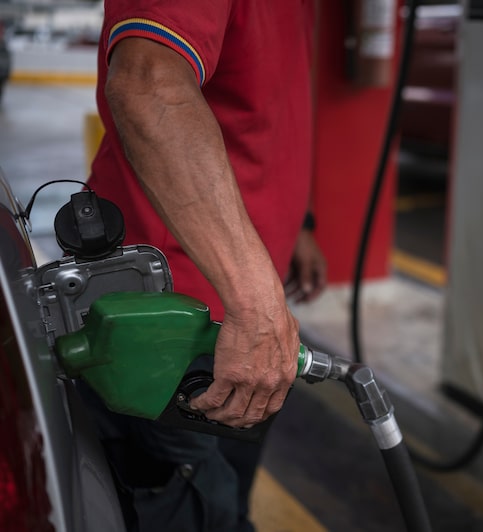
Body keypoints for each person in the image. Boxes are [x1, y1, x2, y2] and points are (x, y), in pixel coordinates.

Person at [83, 1, 326, 531]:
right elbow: (147, 83)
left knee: (229, 496)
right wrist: (256, 301)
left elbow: (265, 97)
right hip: (171, 320)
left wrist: (297, 223)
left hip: (240, 310)